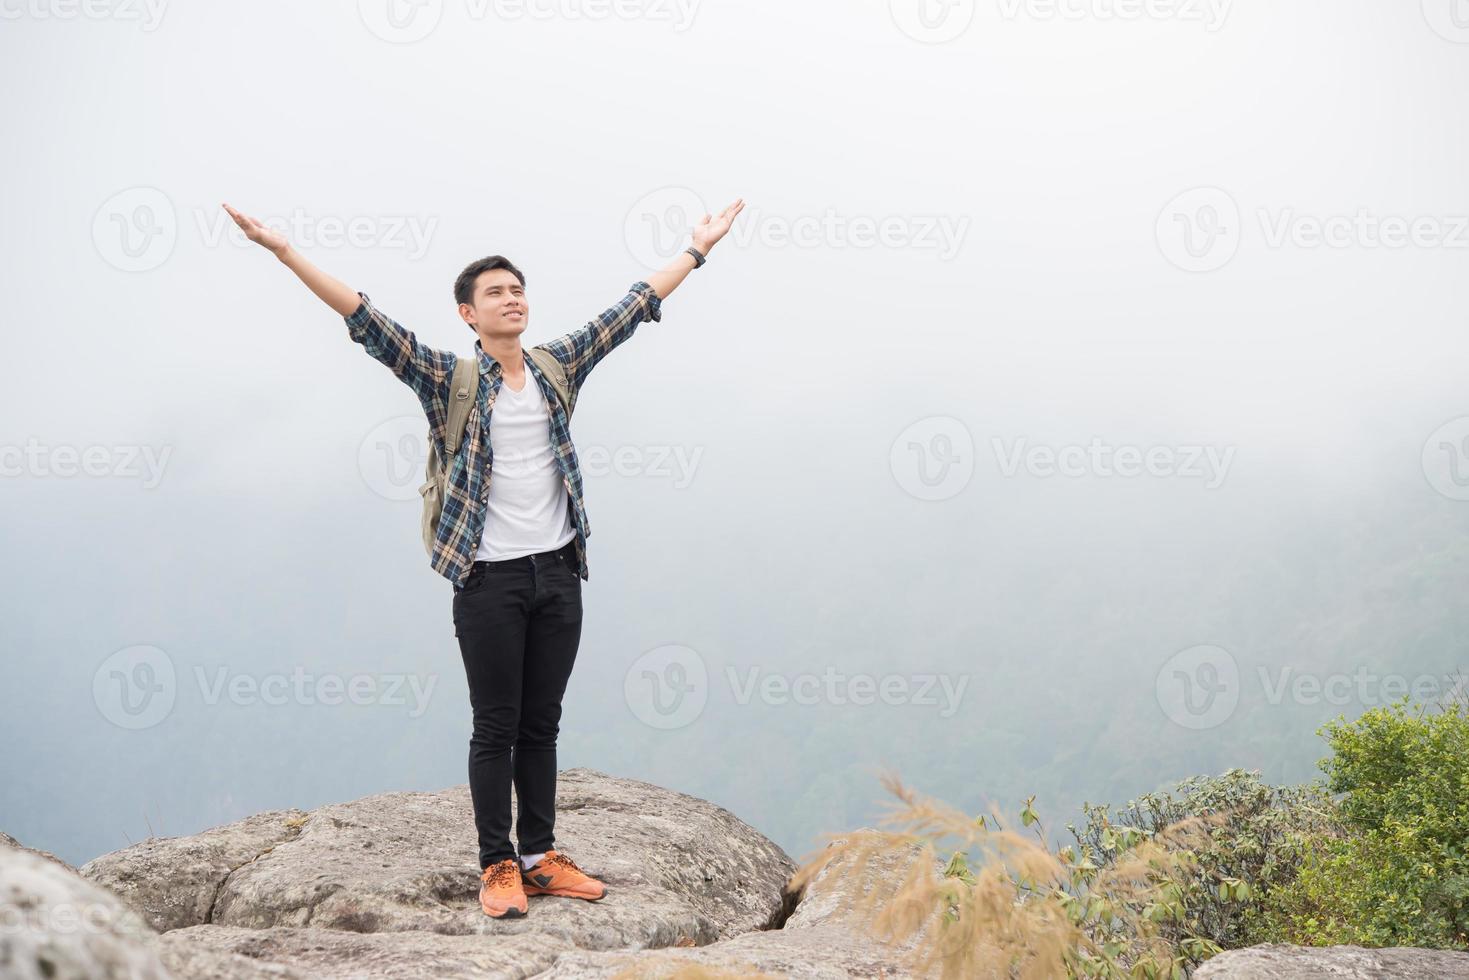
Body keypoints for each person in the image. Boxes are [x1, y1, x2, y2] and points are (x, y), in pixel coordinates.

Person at [221, 197, 745, 918]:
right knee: (495, 724)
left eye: (517, 289)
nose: (512, 299)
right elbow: (368, 321)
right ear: (468, 313)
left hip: (559, 573)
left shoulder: (557, 365)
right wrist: (284, 252)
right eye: (495, 292)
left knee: (543, 722)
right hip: (489, 580)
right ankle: (496, 863)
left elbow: (631, 308)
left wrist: (696, 249)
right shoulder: (448, 380)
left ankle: (540, 855)